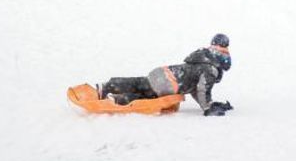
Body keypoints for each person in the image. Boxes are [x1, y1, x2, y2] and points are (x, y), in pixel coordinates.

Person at [98, 34, 233, 116]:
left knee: (141, 85)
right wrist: (208, 108)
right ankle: (109, 89)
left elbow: (195, 90)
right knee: (146, 95)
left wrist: (208, 104)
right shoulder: (211, 69)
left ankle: (115, 95)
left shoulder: (203, 60)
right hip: (169, 83)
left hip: (164, 74)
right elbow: (202, 89)